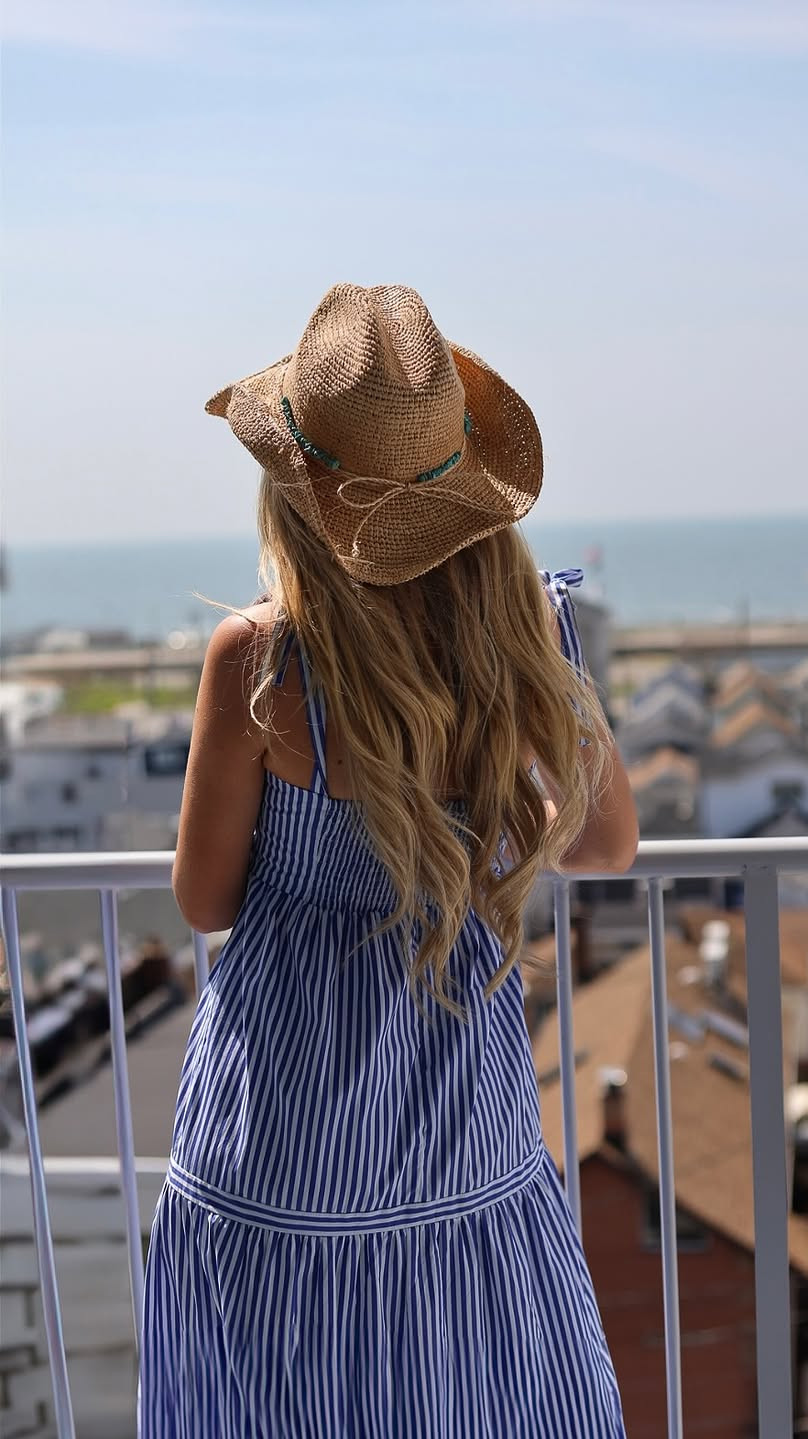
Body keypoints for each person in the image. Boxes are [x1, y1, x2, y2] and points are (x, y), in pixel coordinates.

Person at [138, 283, 638, 1437]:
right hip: (459, 1135)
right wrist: (515, 737)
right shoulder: (520, 634)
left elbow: (205, 898)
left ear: (293, 488)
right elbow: (607, 843)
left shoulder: (259, 658)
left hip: (278, 1142)